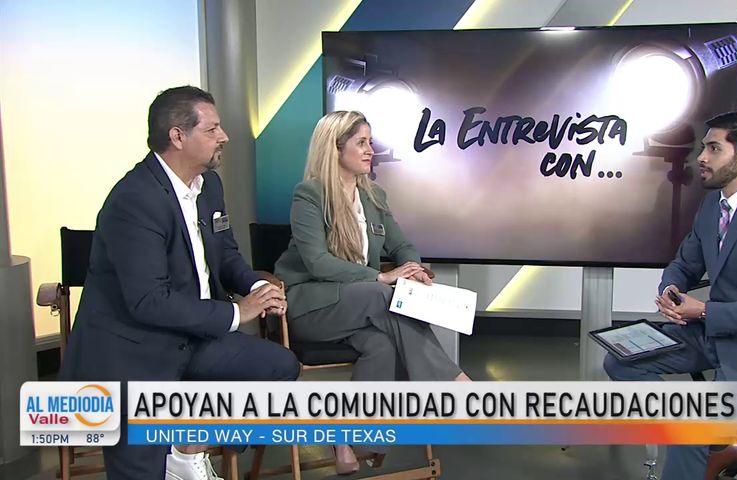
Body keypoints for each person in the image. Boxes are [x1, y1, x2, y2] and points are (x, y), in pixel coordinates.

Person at [60, 86, 300, 480]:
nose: (224, 137)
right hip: (133, 354)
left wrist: (257, 288)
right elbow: (149, 301)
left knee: (278, 367)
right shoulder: (134, 200)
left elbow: (226, 254)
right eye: (212, 129)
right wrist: (237, 313)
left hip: (192, 339)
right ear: (177, 136)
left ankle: (189, 447)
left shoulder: (210, 186)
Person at [603, 111, 737, 478]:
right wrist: (671, 289)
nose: (701, 157)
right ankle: (710, 440)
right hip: (713, 333)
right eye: (704, 148)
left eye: (714, 149)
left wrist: (703, 312)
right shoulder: (713, 205)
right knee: (621, 361)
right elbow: (685, 262)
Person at [275, 110, 471, 474]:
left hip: (361, 309)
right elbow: (317, 262)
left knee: (381, 344)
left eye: (370, 142)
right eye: (361, 143)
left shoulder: (374, 196)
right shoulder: (309, 195)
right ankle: (453, 384)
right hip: (312, 307)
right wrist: (381, 277)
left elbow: (402, 245)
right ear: (335, 149)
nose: (370, 150)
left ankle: (346, 435)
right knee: (384, 296)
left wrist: (413, 269)